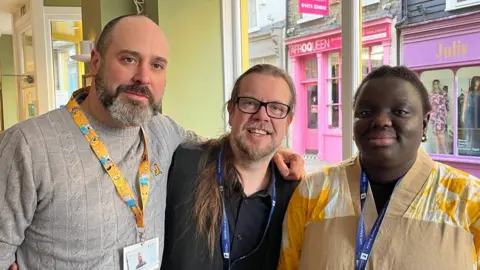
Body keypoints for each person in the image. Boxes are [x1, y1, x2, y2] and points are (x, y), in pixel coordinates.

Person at [0, 14, 304, 269]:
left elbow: (231, 143)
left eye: (157, 65)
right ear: (95, 62)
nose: (143, 76)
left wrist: (274, 150)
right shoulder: (27, 145)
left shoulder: (162, 132)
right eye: (129, 59)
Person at [278, 66, 480, 270]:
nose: (381, 121)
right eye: (365, 112)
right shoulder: (313, 191)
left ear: (425, 123)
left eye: (400, 111)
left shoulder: (468, 199)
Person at [161, 64, 299, 270]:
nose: (262, 116)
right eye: (250, 103)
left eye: (276, 108)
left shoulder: (296, 195)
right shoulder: (183, 162)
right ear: (231, 111)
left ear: (288, 122)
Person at [428, 79, 449, 154]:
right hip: (433, 115)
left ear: (439, 84)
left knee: (441, 133)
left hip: (441, 115)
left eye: (437, 83)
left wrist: (447, 113)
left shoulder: (443, 93)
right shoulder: (430, 94)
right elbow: (428, 105)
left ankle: (445, 151)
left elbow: (447, 103)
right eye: (434, 84)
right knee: (435, 133)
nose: (436, 85)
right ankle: (438, 152)